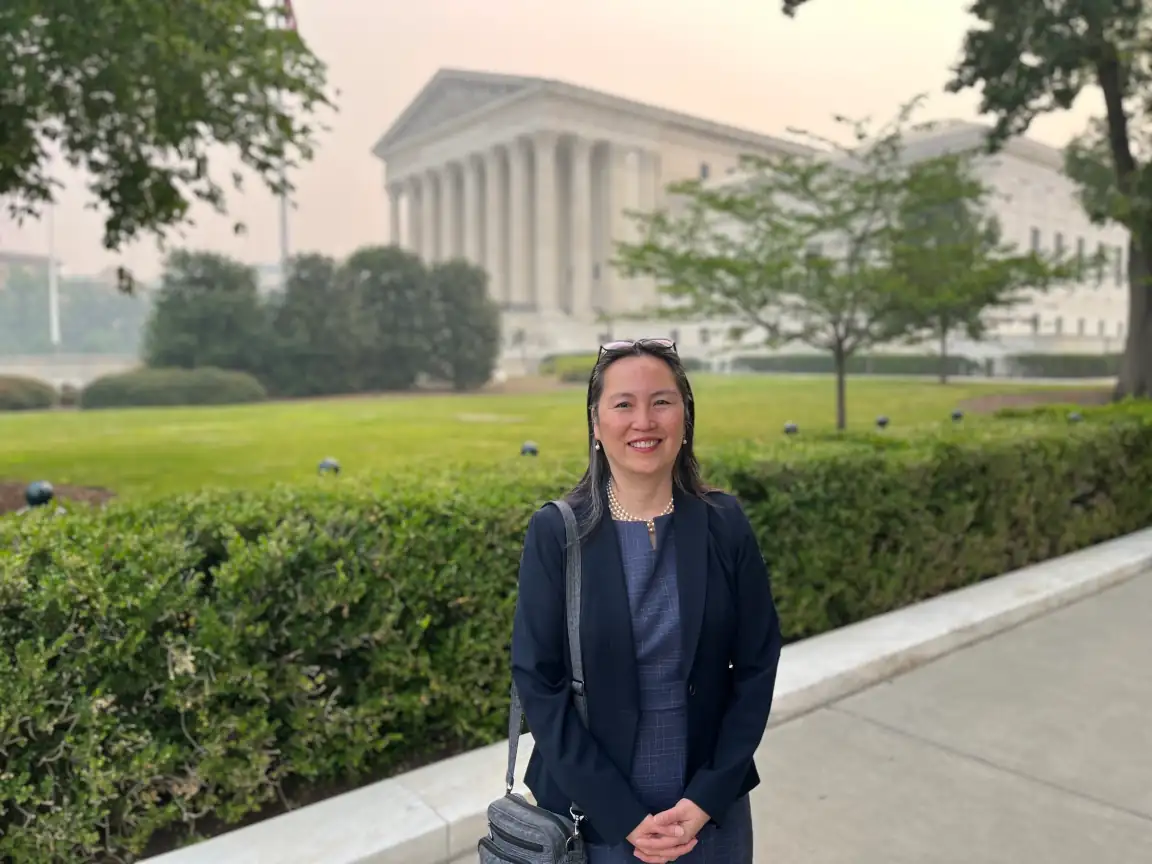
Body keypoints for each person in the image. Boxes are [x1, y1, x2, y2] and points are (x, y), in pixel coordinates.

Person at [510, 338, 783, 864]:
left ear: (685, 416)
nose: (644, 421)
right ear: (596, 422)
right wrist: (620, 815)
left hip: (707, 809)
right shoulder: (557, 532)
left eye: (661, 401)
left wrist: (709, 794)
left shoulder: (723, 524)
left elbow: (757, 663)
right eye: (623, 404)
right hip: (593, 815)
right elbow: (538, 681)